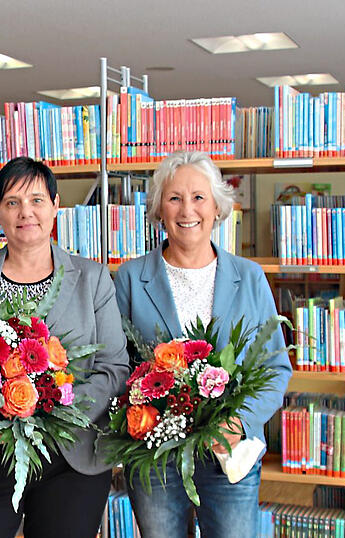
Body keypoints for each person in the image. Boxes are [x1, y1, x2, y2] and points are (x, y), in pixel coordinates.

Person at [0, 156, 130, 538]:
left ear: (56, 206)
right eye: (12, 202)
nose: (26, 212)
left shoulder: (92, 279)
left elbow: (113, 368)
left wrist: (53, 414)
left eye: (37, 200)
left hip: (71, 455)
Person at [114, 150, 292, 538]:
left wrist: (239, 421)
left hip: (230, 455)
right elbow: (116, 366)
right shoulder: (129, 278)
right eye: (174, 197)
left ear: (217, 208)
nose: (186, 209)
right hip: (155, 456)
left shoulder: (249, 276)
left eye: (198, 197)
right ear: (160, 208)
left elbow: (275, 367)